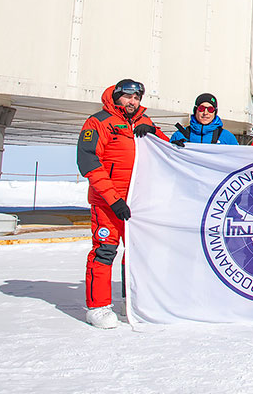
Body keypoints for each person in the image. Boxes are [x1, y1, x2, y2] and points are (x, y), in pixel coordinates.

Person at [75, 79, 168, 329]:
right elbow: (89, 162)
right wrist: (114, 199)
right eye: (128, 97)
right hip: (108, 203)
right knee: (105, 251)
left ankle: (134, 300)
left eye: (137, 98)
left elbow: (166, 149)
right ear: (116, 97)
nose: (133, 102)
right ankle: (98, 306)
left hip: (138, 202)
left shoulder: (143, 121)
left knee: (139, 253)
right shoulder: (98, 122)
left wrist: (153, 133)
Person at [169, 93, 239, 146]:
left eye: (210, 109)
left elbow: (238, 159)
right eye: (201, 108)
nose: (205, 113)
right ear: (195, 110)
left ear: (215, 112)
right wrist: (173, 149)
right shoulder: (179, 135)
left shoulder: (226, 137)